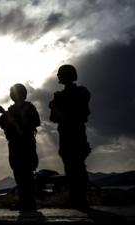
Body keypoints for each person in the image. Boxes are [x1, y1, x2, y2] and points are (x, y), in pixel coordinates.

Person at [49, 64, 91, 210]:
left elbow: (82, 113)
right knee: (70, 167)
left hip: (76, 133)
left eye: (62, 75)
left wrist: (58, 108)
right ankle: (75, 198)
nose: (60, 77)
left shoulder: (81, 92)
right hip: (66, 134)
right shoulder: (59, 96)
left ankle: (81, 199)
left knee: (78, 166)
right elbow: (53, 117)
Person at [0, 84, 40, 211]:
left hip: (26, 142)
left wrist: (18, 119)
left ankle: (29, 201)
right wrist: (6, 117)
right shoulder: (10, 110)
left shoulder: (29, 107)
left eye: (15, 92)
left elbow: (35, 122)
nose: (13, 95)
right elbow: (4, 126)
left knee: (27, 172)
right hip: (14, 144)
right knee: (18, 172)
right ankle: (23, 201)